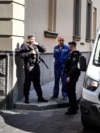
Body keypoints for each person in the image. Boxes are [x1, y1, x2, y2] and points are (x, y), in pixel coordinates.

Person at [20, 35, 48, 103]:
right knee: (27, 83)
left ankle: (40, 97)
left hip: (36, 66)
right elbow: (21, 55)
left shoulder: (36, 45)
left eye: (34, 39)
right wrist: (29, 53)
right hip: (29, 66)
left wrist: (38, 44)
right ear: (28, 39)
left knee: (37, 82)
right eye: (32, 39)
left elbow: (44, 50)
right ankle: (26, 98)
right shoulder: (25, 45)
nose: (33, 40)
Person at [64, 41, 81, 114]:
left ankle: (73, 109)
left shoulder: (75, 54)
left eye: (69, 46)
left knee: (70, 91)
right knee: (71, 91)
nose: (68, 47)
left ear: (72, 46)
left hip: (72, 75)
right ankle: (74, 106)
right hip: (71, 74)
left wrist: (69, 76)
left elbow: (74, 67)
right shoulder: (72, 53)